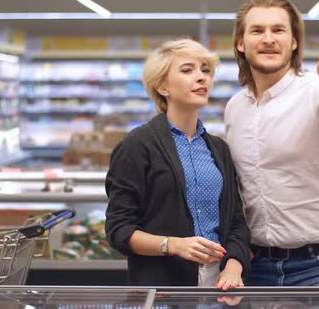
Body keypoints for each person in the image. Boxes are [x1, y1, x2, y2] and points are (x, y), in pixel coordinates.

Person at [224, 0, 319, 286]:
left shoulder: (316, 89)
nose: (268, 39)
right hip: (257, 264)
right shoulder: (235, 107)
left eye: (278, 30)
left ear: (294, 41)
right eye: (257, 30)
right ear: (240, 43)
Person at [105, 39, 250, 288]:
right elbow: (119, 230)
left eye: (205, 70)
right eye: (187, 70)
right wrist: (173, 245)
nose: (201, 77)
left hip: (222, 288)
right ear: (163, 87)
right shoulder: (138, 145)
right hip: (164, 288)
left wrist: (234, 268)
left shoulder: (219, 149)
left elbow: (236, 221)